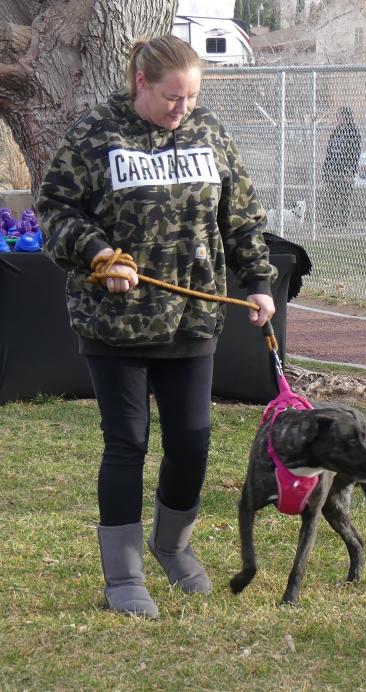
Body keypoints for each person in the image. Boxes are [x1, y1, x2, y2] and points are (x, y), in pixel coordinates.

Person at [37, 36, 277, 618]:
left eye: (192, 97)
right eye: (173, 97)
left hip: (192, 319)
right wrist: (99, 253)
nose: (182, 109)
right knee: (128, 442)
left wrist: (259, 281)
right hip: (114, 323)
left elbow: (239, 214)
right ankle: (122, 576)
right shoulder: (97, 133)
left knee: (192, 442)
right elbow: (55, 210)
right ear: (141, 81)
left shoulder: (208, 132)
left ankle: (171, 545)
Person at [321, 106, 361, 227]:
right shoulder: (336, 131)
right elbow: (329, 152)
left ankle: (343, 222)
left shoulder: (353, 132)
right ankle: (330, 220)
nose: (337, 118)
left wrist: (350, 170)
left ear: (345, 117)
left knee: (344, 196)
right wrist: (326, 168)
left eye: (339, 116)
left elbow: (355, 152)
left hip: (345, 170)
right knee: (331, 197)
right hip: (332, 170)